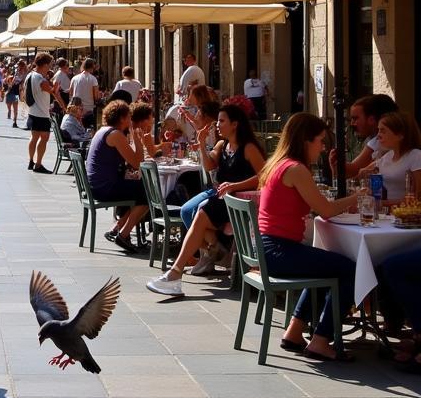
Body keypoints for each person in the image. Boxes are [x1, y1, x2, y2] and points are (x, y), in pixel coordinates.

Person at [256, 113, 360, 362]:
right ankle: (321, 340)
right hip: (279, 251)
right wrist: (359, 197)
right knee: (350, 269)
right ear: (306, 141)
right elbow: (325, 209)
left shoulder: (278, 163)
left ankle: (294, 330)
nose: (323, 148)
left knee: (327, 263)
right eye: (320, 141)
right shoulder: (296, 169)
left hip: (268, 249)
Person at [147, 103, 266, 296]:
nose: (217, 124)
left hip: (241, 200)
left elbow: (264, 176)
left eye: (222, 121)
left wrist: (235, 186)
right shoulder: (223, 145)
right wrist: (201, 144)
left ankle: (176, 273)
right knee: (197, 215)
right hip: (225, 197)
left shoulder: (249, 148)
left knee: (201, 216)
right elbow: (210, 166)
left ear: (235, 124)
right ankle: (182, 269)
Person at [85, 100, 149, 253]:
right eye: (128, 116)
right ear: (122, 118)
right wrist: (138, 140)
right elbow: (136, 162)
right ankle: (124, 234)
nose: (130, 120)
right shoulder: (115, 135)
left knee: (137, 189)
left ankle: (118, 228)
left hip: (97, 185)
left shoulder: (104, 131)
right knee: (148, 193)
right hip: (104, 188)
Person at [330, 93, 399, 183]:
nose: (352, 124)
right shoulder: (372, 140)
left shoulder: (379, 142)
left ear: (371, 119)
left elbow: (352, 171)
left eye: (355, 118)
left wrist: (335, 162)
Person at [25, 53, 67, 174]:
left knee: (33, 137)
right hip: (42, 113)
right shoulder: (40, 79)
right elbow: (52, 92)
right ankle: (38, 164)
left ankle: (31, 161)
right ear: (44, 64)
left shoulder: (30, 75)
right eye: (50, 65)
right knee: (44, 138)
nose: (50, 67)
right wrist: (56, 89)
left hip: (33, 111)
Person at [366, 113, 421, 204]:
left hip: (406, 215)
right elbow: (361, 173)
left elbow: (418, 197)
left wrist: (381, 203)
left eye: (383, 131)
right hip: (384, 214)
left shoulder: (416, 156)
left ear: (400, 135)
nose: (378, 135)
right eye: (378, 130)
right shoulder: (387, 156)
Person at [4, 60, 25, 127]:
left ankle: (14, 121)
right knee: (14, 107)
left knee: (14, 106)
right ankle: (14, 120)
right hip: (15, 91)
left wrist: (8, 90)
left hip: (14, 91)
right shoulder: (22, 73)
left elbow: (12, 83)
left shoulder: (19, 73)